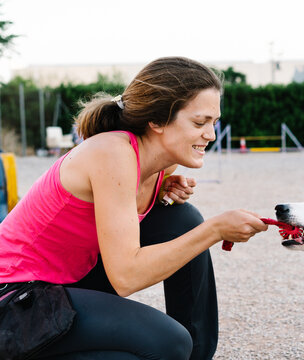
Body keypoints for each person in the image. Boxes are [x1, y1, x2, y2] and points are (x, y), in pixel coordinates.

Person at [0, 56, 268, 360]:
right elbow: (126, 277)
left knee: (182, 218)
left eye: (214, 123)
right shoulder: (112, 153)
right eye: (199, 123)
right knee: (168, 343)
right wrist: (215, 229)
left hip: (68, 282)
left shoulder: (159, 165)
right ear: (156, 121)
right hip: (16, 300)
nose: (211, 135)